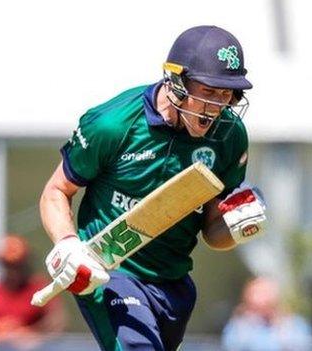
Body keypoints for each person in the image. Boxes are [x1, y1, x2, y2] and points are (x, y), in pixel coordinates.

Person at [38, 25, 268, 350]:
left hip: (173, 285)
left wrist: (239, 226)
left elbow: (212, 233)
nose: (217, 105)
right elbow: (56, 191)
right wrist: (67, 244)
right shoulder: (114, 124)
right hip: (110, 271)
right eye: (209, 91)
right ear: (176, 81)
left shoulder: (230, 136)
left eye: (226, 94)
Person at [0, 235, 65, 349]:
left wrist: (33, 335)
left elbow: (57, 322)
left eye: (17, 266)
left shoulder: (40, 288)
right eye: (8, 266)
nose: (13, 271)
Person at [221, 277, 312, 351]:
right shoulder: (239, 325)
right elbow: (232, 345)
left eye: (266, 294)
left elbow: (301, 345)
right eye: (257, 294)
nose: (262, 300)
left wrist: (282, 327)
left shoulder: (294, 324)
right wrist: (244, 325)